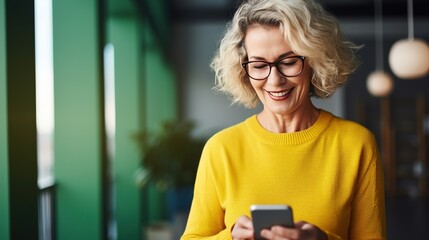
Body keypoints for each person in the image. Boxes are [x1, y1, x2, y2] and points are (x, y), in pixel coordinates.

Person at [181, 0, 386, 239]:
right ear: (243, 69)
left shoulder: (356, 144)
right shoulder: (221, 149)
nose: (274, 80)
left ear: (315, 61)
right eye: (258, 65)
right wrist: (231, 236)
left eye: (288, 62)